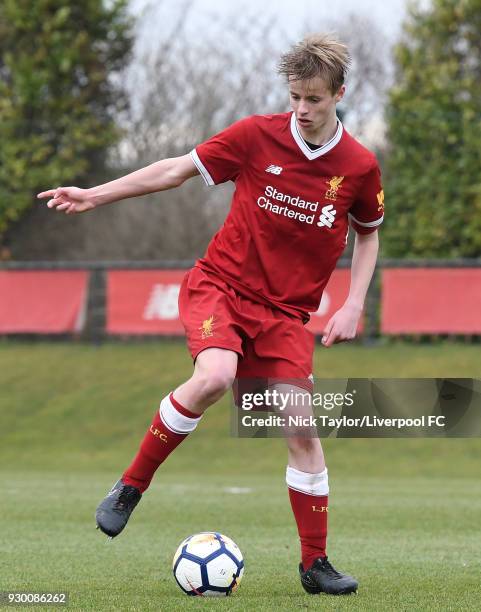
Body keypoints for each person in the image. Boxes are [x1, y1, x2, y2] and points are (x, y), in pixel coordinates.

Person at [38, 33, 383, 596]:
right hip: (221, 287)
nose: (302, 109)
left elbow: (368, 237)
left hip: (286, 316)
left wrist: (353, 304)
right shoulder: (255, 136)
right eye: (295, 96)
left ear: (339, 94)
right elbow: (175, 170)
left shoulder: (360, 166)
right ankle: (130, 485)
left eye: (314, 99)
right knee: (217, 376)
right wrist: (95, 195)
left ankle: (314, 565)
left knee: (301, 425)